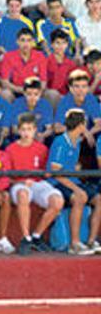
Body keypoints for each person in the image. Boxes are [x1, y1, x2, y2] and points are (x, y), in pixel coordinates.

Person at [5, 113, 62, 255]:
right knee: (23, 194)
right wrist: (22, 181)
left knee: (57, 201)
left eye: (29, 129)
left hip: (38, 183)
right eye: (23, 129)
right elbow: (6, 177)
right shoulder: (10, 149)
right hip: (19, 184)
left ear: (35, 130)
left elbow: (46, 173)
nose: (26, 133)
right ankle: (26, 237)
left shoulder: (42, 149)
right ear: (18, 131)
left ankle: (36, 236)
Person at [47, 109, 100, 255]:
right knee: (80, 196)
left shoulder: (76, 141)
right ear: (81, 125)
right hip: (56, 183)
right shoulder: (61, 141)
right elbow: (56, 172)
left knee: (99, 199)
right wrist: (76, 189)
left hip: (72, 180)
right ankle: (74, 244)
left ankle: (91, 241)